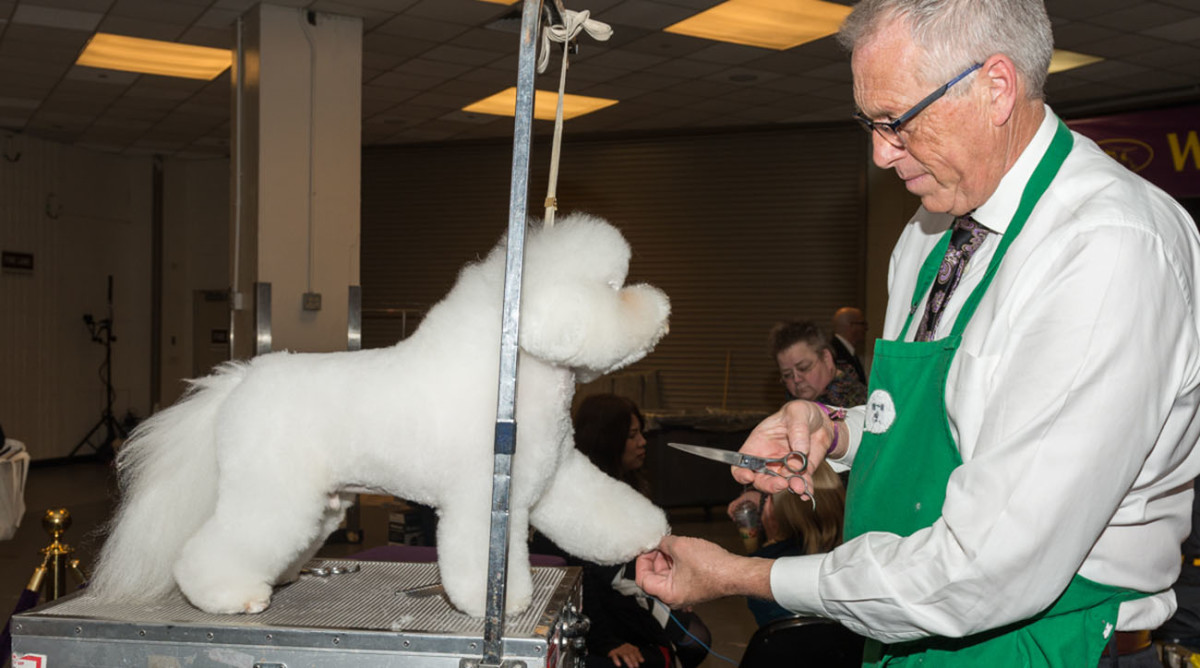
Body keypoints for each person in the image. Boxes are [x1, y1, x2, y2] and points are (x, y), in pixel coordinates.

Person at [636, 1, 1200, 667]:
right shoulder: (931, 231)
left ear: (995, 87)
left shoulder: (1107, 251)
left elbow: (988, 567)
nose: (879, 153)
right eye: (870, 124)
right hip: (910, 633)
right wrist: (834, 429)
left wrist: (742, 577)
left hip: (1048, 645)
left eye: (897, 121)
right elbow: (951, 420)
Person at [533, 394, 709, 668]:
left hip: (631, 592)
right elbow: (582, 582)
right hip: (597, 608)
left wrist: (672, 587)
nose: (642, 443)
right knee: (686, 644)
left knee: (695, 640)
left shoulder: (629, 485)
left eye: (641, 433)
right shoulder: (575, 498)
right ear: (607, 439)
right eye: (632, 435)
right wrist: (606, 642)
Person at [729, 460, 845, 626]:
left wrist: (769, 527)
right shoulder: (856, 556)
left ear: (773, 511)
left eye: (767, 498)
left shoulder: (761, 568)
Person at [769, 320, 867, 408]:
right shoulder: (793, 401)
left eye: (803, 368)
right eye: (787, 375)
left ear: (826, 358)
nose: (796, 379)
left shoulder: (858, 403)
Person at [830, 307, 869, 383]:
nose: (866, 328)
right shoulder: (834, 354)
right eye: (862, 324)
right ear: (851, 326)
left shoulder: (848, 352)